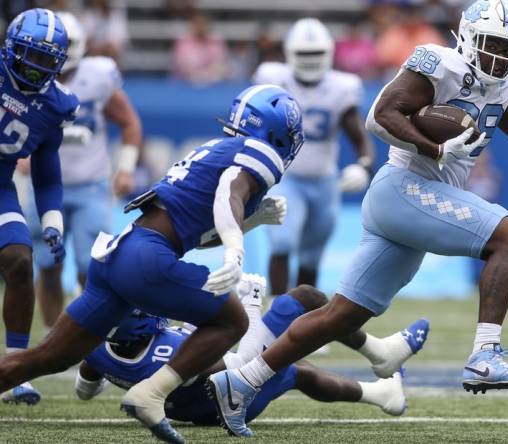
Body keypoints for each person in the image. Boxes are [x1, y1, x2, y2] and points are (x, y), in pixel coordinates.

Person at [208, 0, 508, 436]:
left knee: (341, 316)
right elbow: (380, 116)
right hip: (404, 187)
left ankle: (239, 382)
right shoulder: (440, 62)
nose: (499, 57)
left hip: (416, 201)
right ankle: (485, 354)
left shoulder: (506, 82)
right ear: (467, 38)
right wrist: (436, 149)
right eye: (491, 44)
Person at [0, 84, 303, 444]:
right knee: (233, 320)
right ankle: (151, 394)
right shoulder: (259, 151)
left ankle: (149, 394)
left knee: (46, 357)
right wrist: (236, 247)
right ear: (276, 130)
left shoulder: (220, 149)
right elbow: (229, 194)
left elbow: (199, 232)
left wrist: (251, 221)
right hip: (147, 258)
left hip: (119, 254)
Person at [75, 275, 429, 426]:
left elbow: (85, 389)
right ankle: (380, 354)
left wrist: (116, 373)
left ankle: (383, 392)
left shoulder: (95, 350)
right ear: (133, 324)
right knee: (303, 300)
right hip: (231, 401)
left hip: (195, 410)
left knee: (295, 371)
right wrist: (250, 307)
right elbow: (241, 369)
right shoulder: (168, 351)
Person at [25, 12, 142, 331]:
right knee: (47, 265)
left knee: (89, 265)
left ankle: (87, 334)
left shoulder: (98, 75)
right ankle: (52, 335)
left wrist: (126, 168)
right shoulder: (27, 76)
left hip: (90, 185)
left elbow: (130, 123)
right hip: (43, 184)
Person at [252, 18, 375, 296]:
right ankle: (276, 316)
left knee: (311, 257)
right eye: (305, 53)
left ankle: (301, 323)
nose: (310, 60)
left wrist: (364, 166)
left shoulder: (341, 86)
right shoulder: (273, 79)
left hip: (324, 182)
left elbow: (359, 135)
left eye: (316, 54)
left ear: (329, 54)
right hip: (286, 177)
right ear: (289, 53)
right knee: (282, 243)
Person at [0, 8, 79, 405]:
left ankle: (15, 369)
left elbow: (48, 173)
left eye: (48, 59)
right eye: (32, 55)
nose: (37, 67)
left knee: (18, 259)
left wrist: (52, 222)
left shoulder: (54, 104)